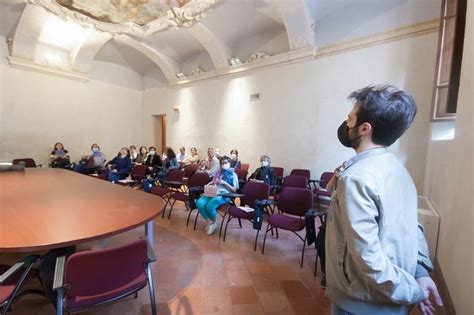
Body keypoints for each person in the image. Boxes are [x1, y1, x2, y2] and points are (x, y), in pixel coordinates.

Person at [325, 85, 442, 315]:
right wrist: (419, 273)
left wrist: (415, 291)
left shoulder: (356, 179)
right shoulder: (400, 170)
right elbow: (412, 227)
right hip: (393, 294)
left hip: (361, 301)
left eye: (350, 119)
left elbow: (368, 259)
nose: (346, 124)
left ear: (364, 128)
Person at [196, 156, 239, 235]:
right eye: (222, 163)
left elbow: (234, 190)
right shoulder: (218, 172)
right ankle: (210, 221)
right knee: (199, 202)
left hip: (225, 195)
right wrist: (213, 183)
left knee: (210, 205)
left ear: (230, 164)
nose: (223, 164)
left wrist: (224, 183)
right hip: (214, 192)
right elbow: (214, 182)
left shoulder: (233, 174)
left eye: (225, 163)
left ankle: (212, 222)